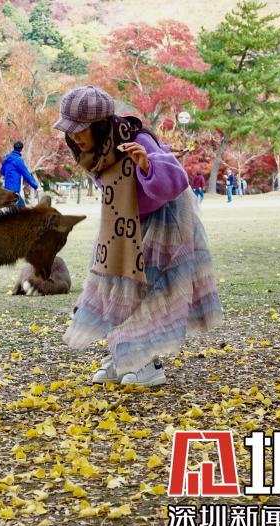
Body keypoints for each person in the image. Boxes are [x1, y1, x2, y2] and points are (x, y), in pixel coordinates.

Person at [55, 86, 222, 387]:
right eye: (70, 129)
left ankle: (146, 361)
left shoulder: (136, 138)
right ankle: (122, 354)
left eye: (80, 129)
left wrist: (147, 164)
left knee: (148, 291)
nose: (74, 136)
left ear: (100, 125)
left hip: (162, 221)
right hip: (121, 224)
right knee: (113, 287)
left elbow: (176, 182)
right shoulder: (92, 151)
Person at [0, 141, 39, 208]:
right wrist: (35, 186)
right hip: (14, 191)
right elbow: (27, 175)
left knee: (15, 209)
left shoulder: (6, 159)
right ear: (21, 149)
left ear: (14, 147)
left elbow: (2, 172)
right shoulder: (18, 160)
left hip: (6, 189)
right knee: (21, 209)